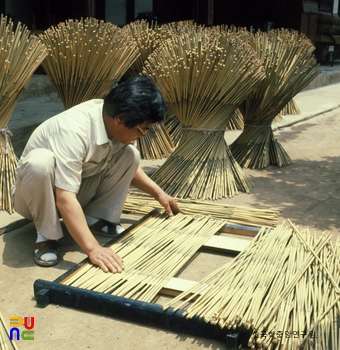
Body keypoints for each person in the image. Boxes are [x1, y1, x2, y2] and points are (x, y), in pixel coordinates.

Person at [12, 75, 180, 273]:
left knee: (130, 154)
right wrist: (93, 249)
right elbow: (65, 198)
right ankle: (47, 236)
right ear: (121, 119)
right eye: (142, 130)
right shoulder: (74, 130)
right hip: (32, 198)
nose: (142, 135)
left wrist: (158, 193)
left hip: (69, 191)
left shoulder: (112, 119)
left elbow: (130, 168)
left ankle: (96, 216)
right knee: (40, 162)